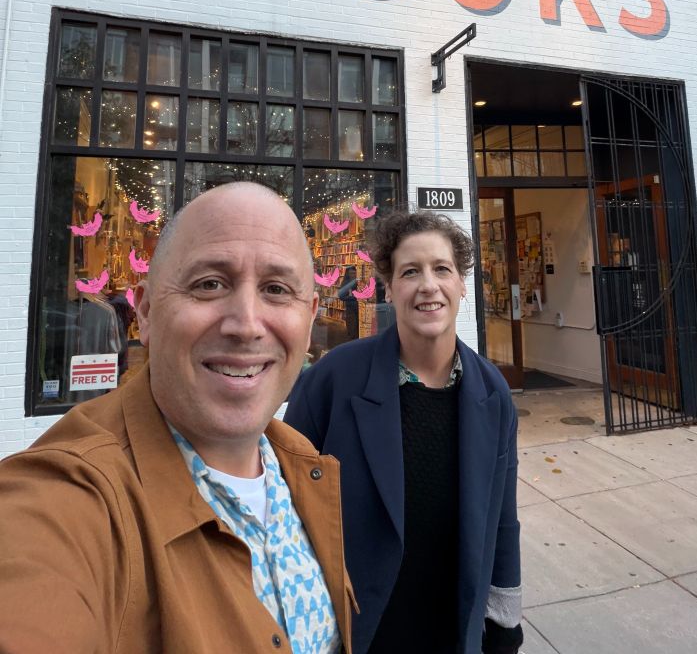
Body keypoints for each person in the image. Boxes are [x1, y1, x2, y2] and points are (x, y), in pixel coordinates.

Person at [0, 182, 355, 653]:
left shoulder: (303, 463)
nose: (246, 324)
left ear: (309, 318)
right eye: (209, 284)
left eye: (276, 289)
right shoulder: (68, 499)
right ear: (144, 312)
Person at [285, 210, 523, 654]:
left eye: (442, 270)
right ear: (389, 289)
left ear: (461, 286)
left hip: (452, 632)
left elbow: (503, 520)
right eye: (410, 271)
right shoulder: (335, 379)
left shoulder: (493, 394)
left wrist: (505, 623)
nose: (427, 285)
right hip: (358, 634)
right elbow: (285, 508)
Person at [338, 264, 360, 340]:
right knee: (352, 331)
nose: (353, 275)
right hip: (351, 310)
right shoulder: (345, 283)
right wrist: (354, 297)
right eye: (351, 273)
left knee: (358, 330)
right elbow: (341, 296)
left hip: (359, 309)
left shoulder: (358, 282)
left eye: (354, 273)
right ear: (348, 274)